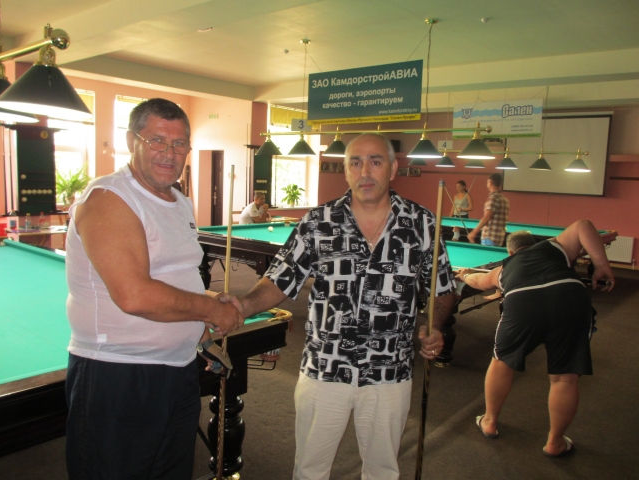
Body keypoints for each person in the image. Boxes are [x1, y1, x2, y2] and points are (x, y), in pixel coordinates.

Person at [219, 133, 456, 480]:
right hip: (325, 367)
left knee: (383, 472)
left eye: (375, 161)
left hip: (389, 371)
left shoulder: (422, 223)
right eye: (355, 163)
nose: (365, 172)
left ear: (392, 169)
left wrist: (435, 324)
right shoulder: (318, 222)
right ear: (345, 171)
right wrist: (242, 305)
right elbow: (280, 280)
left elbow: (443, 288)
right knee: (310, 470)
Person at [64, 98, 244, 479]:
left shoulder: (179, 202)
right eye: (157, 140)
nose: (169, 153)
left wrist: (204, 320)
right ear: (132, 141)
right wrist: (212, 310)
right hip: (117, 375)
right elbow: (135, 295)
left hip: (177, 372)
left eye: (179, 144)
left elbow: (175, 278)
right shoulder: (109, 198)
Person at [456, 220, 614, 457]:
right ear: (535, 244)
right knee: (565, 378)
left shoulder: (504, 268)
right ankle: (555, 443)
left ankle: (489, 422)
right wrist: (601, 265)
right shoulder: (554, 247)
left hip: (523, 303)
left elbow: (478, 281)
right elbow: (583, 225)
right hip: (570, 297)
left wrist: (465, 274)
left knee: (501, 363)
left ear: (510, 252)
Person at [468, 172, 509, 246]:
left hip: (489, 237)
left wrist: (474, 232)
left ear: (490, 183)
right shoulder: (505, 199)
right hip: (499, 238)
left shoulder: (493, 198)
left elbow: (487, 217)